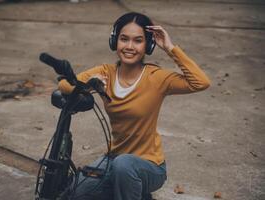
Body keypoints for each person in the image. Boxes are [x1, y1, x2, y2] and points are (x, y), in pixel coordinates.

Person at [58, 12, 210, 200]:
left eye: (138, 41)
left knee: (124, 166)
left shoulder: (156, 78)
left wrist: (170, 48)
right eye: (124, 39)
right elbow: (64, 84)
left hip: (150, 166)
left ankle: (131, 189)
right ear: (115, 41)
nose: (129, 46)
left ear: (148, 45)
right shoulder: (106, 73)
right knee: (76, 193)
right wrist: (88, 84)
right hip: (114, 159)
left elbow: (201, 82)